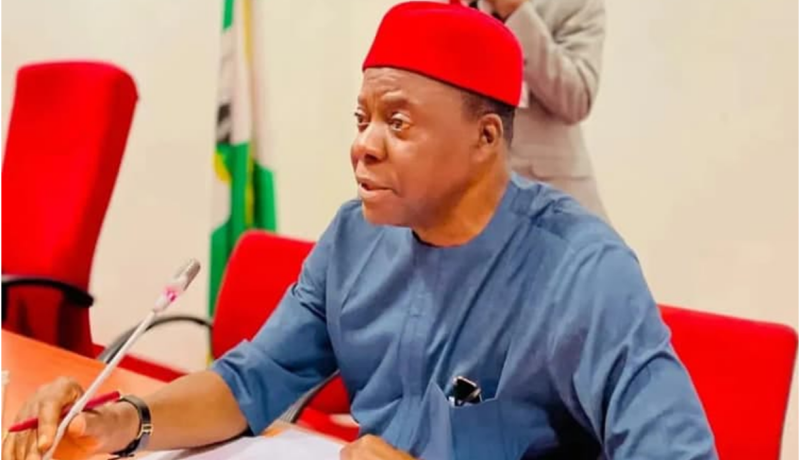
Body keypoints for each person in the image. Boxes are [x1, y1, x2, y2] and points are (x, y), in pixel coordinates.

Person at [3, 3, 716, 460]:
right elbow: (251, 383)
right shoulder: (355, 238)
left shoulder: (582, 272)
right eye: (362, 118)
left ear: (485, 139)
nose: (364, 146)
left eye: (397, 122)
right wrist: (119, 423)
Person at [455, 0, 609, 220]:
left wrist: (515, 13)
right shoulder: (442, 7)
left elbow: (577, 100)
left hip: (549, 205)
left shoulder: (574, 4)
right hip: (460, 198)